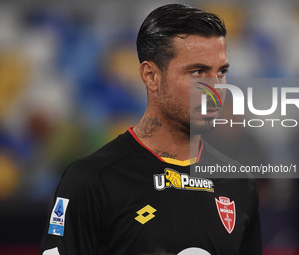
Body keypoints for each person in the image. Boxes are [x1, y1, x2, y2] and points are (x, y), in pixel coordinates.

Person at [40, 4, 262, 255]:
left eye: (221, 72)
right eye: (198, 72)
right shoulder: (92, 180)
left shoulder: (239, 183)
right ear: (151, 75)